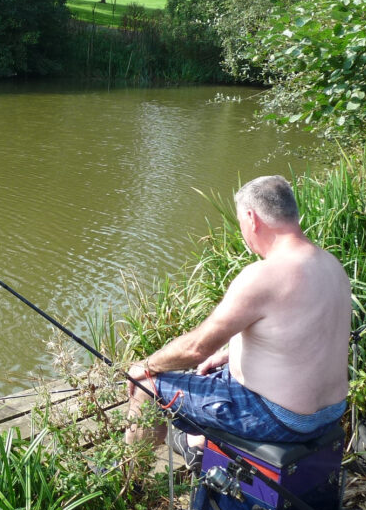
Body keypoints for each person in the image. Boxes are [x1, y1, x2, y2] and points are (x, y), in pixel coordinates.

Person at [125, 175, 351, 450]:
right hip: (330, 413)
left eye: (241, 222)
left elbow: (197, 348)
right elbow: (303, 335)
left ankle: (131, 476)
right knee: (214, 371)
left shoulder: (264, 275)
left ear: (251, 218)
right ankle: (197, 445)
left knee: (148, 386)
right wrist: (228, 355)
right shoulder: (331, 264)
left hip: (281, 419)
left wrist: (144, 366)